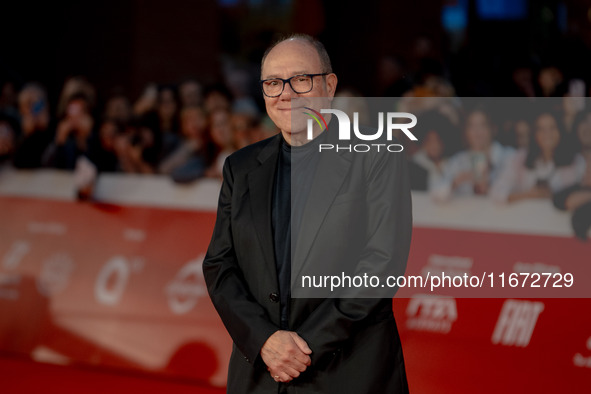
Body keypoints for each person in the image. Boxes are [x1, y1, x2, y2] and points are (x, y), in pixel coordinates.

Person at [203, 34, 411, 394]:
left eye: (300, 79)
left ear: (329, 85)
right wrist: (265, 341)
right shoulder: (241, 167)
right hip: (261, 373)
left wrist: (301, 349)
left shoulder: (376, 157)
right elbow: (220, 266)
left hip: (347, 371)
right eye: (272, 83)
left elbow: (381, 264)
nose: (286, 93)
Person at [490, 111, 585, 203]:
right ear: (534, 133)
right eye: (541, 129)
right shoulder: (520, 159)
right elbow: (496, 193)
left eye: (552, 128)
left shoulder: (576, 161)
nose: (547, 134)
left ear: (560, 130)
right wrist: (529, 195)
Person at [431, 108, 514, 201]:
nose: (477, 131)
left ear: (493, 129)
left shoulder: (508, 156)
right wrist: (458, 180)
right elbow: (436, 194)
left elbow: (514, 192)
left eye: (482, 125)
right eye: (472, 126)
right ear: (466, 132)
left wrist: (488, 186)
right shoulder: (458, 160)